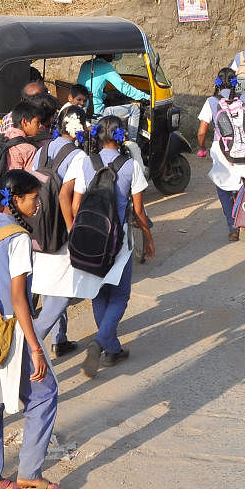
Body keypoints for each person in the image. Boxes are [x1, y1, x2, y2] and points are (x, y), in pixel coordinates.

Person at [0, 169, 61, 489]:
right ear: (17, 199)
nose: (38, 205)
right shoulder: (18, 238)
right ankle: (29, 473)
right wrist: (35, 347)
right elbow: (19, 298)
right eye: (34, 198)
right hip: (10, 329)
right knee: (45, 393)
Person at [71, 114, 155, 377]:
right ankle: (99, 343)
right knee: (119, 296)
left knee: (99, 294)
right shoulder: (131, 166)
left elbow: (75, 206)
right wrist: (149, 238)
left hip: (91, 239)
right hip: (118, 242)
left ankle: (112, 348)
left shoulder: (86, 163)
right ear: (122, 137)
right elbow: (139, 211)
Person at [28, 106, 92, 358]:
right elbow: (71, 199)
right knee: (62, 292)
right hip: (60, 230)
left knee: (47, 282)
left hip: (37, 226)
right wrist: (72, 229)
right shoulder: (79, 157)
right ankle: (30, 341)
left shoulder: (42, 150)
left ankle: (60, 339)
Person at [195, 67, 245, 241]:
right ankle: (243, 220)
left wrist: (201, 148)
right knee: (242, 188)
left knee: (223, 187)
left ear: (217, 82)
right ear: (235, 83)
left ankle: (233, 226)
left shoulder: (211, 102)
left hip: (223, 153)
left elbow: (201, 132)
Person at [77, 53, 149, 139]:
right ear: (108, 53)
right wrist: (146, 97)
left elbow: (89, 89)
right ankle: (132, 144)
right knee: (135, 109)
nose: (114, 55)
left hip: (83, 111)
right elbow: (123, 87)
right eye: (113, 52)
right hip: (98, 113)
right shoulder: (106, 67)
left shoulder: (85, 64)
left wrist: (104, 95)